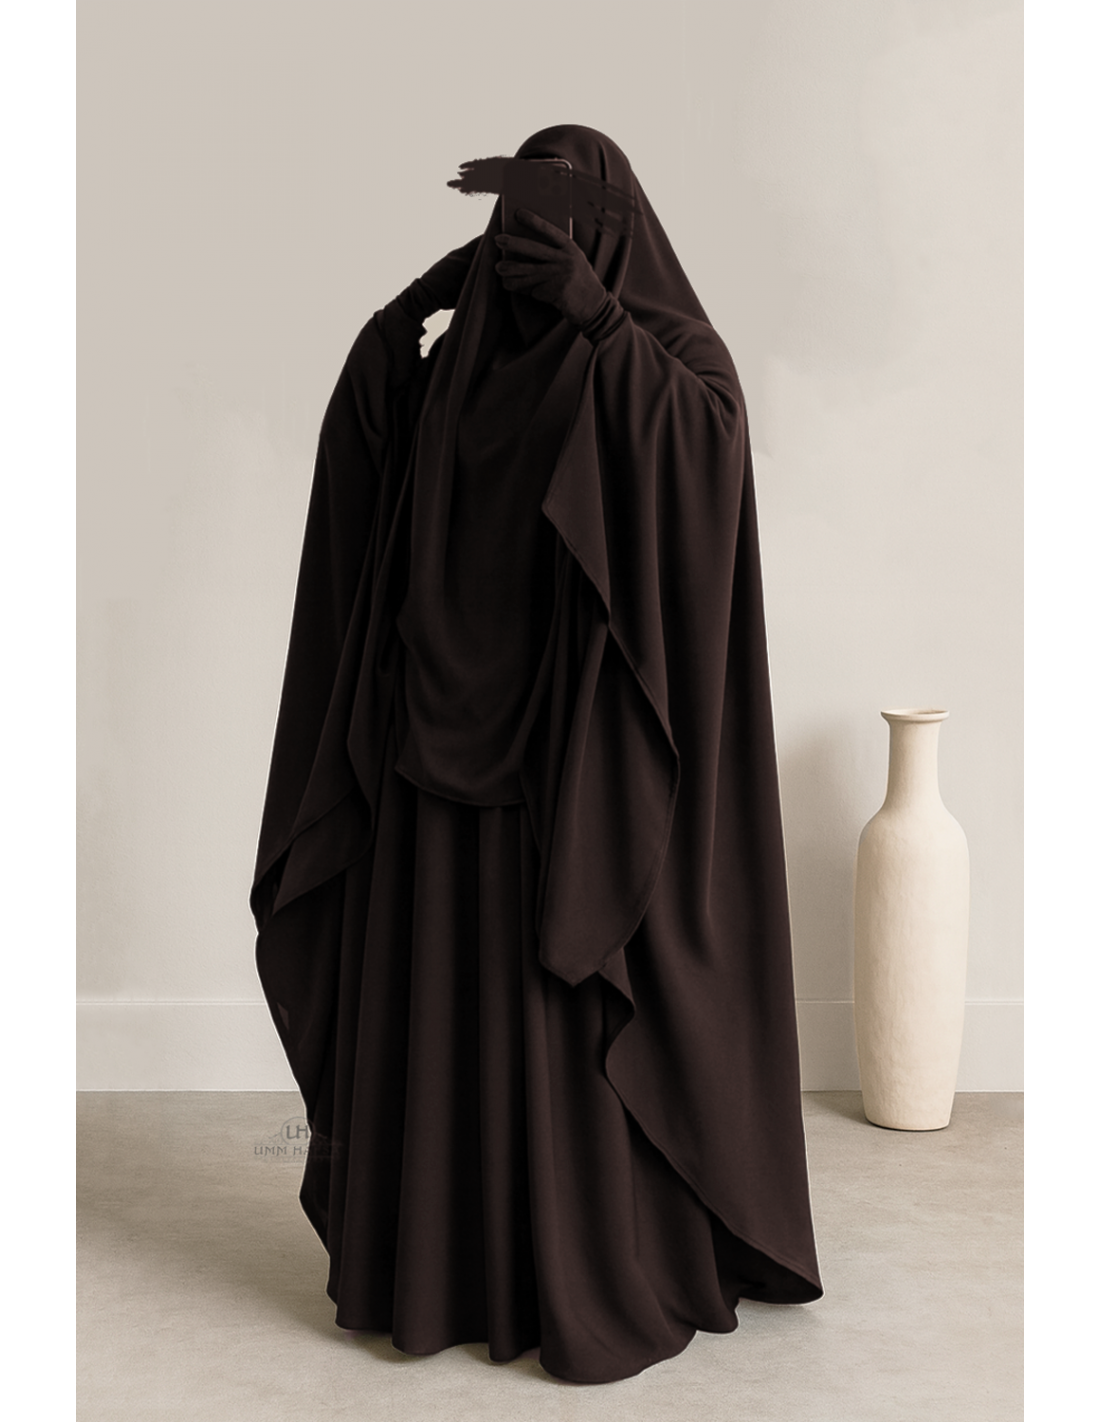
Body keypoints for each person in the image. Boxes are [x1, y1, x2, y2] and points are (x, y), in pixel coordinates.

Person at [250, 124, 822, 1386]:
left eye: (568, 218)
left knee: (551, 1017)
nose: (543, 243)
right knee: (451, 1015)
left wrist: (599, 325)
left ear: (614, 229)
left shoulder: (656, 354)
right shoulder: (458, 373)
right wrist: (422, 296)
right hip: (432, 774)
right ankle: (441, 1268)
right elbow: (367, 423)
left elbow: (710, 447)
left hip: (571, 781)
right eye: (525, 217)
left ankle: (569, 1264)